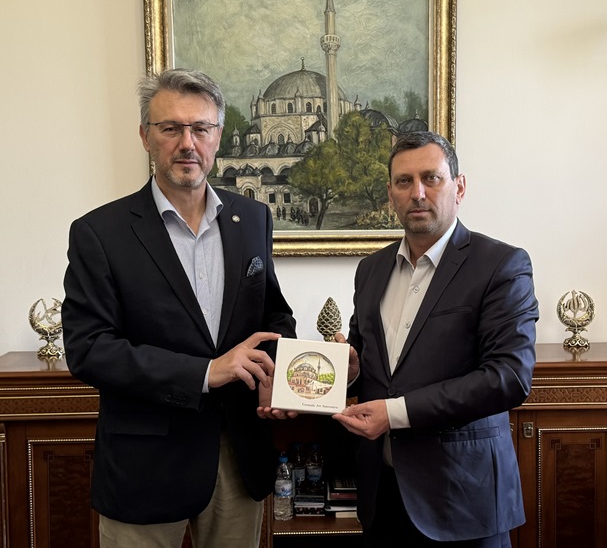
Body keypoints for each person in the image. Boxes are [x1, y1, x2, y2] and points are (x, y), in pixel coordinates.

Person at [62, 68, 297, 548]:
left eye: (201, 128)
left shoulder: (253, 217)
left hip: (237, 457)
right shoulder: (100, 233)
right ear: (145, 136)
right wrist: (205, 373)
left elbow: (273, 316)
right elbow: (89, 349)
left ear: (218, 136)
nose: (187, 143)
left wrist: (278, 374)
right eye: (171, 128)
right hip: (145, 468)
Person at [333, 131, 538, 548]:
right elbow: (371, 365)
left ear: (458, 187)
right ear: (390, 194)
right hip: (383, 495)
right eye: (404, 181)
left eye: (431, 178)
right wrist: (351, 371)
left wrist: (396, 413)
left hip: (463, 499)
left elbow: (509, 377)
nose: (418, 193)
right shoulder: (370, 270)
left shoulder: (501, 264)